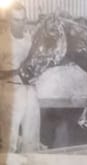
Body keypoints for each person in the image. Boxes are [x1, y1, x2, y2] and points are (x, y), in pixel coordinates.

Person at [0, 2, 41, 152]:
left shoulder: (30, 39)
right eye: (17, 20)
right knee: (9, 141)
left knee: (31, 139)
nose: (21, 23)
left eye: (23, 19)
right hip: (9, 91)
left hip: (31, 91)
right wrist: (17, 72)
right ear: (9, 20)